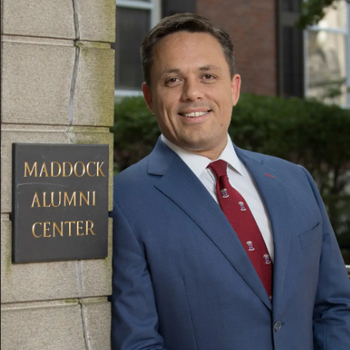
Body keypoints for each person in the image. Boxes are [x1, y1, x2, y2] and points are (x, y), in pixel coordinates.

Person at [111, 12, 350, 350]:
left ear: (234, 88)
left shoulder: (296, 180)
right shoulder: (124, 201)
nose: (193, 93)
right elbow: (138, 342)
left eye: (208, 76)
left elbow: (336, 307)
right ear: (150, 98)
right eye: (173, 80)